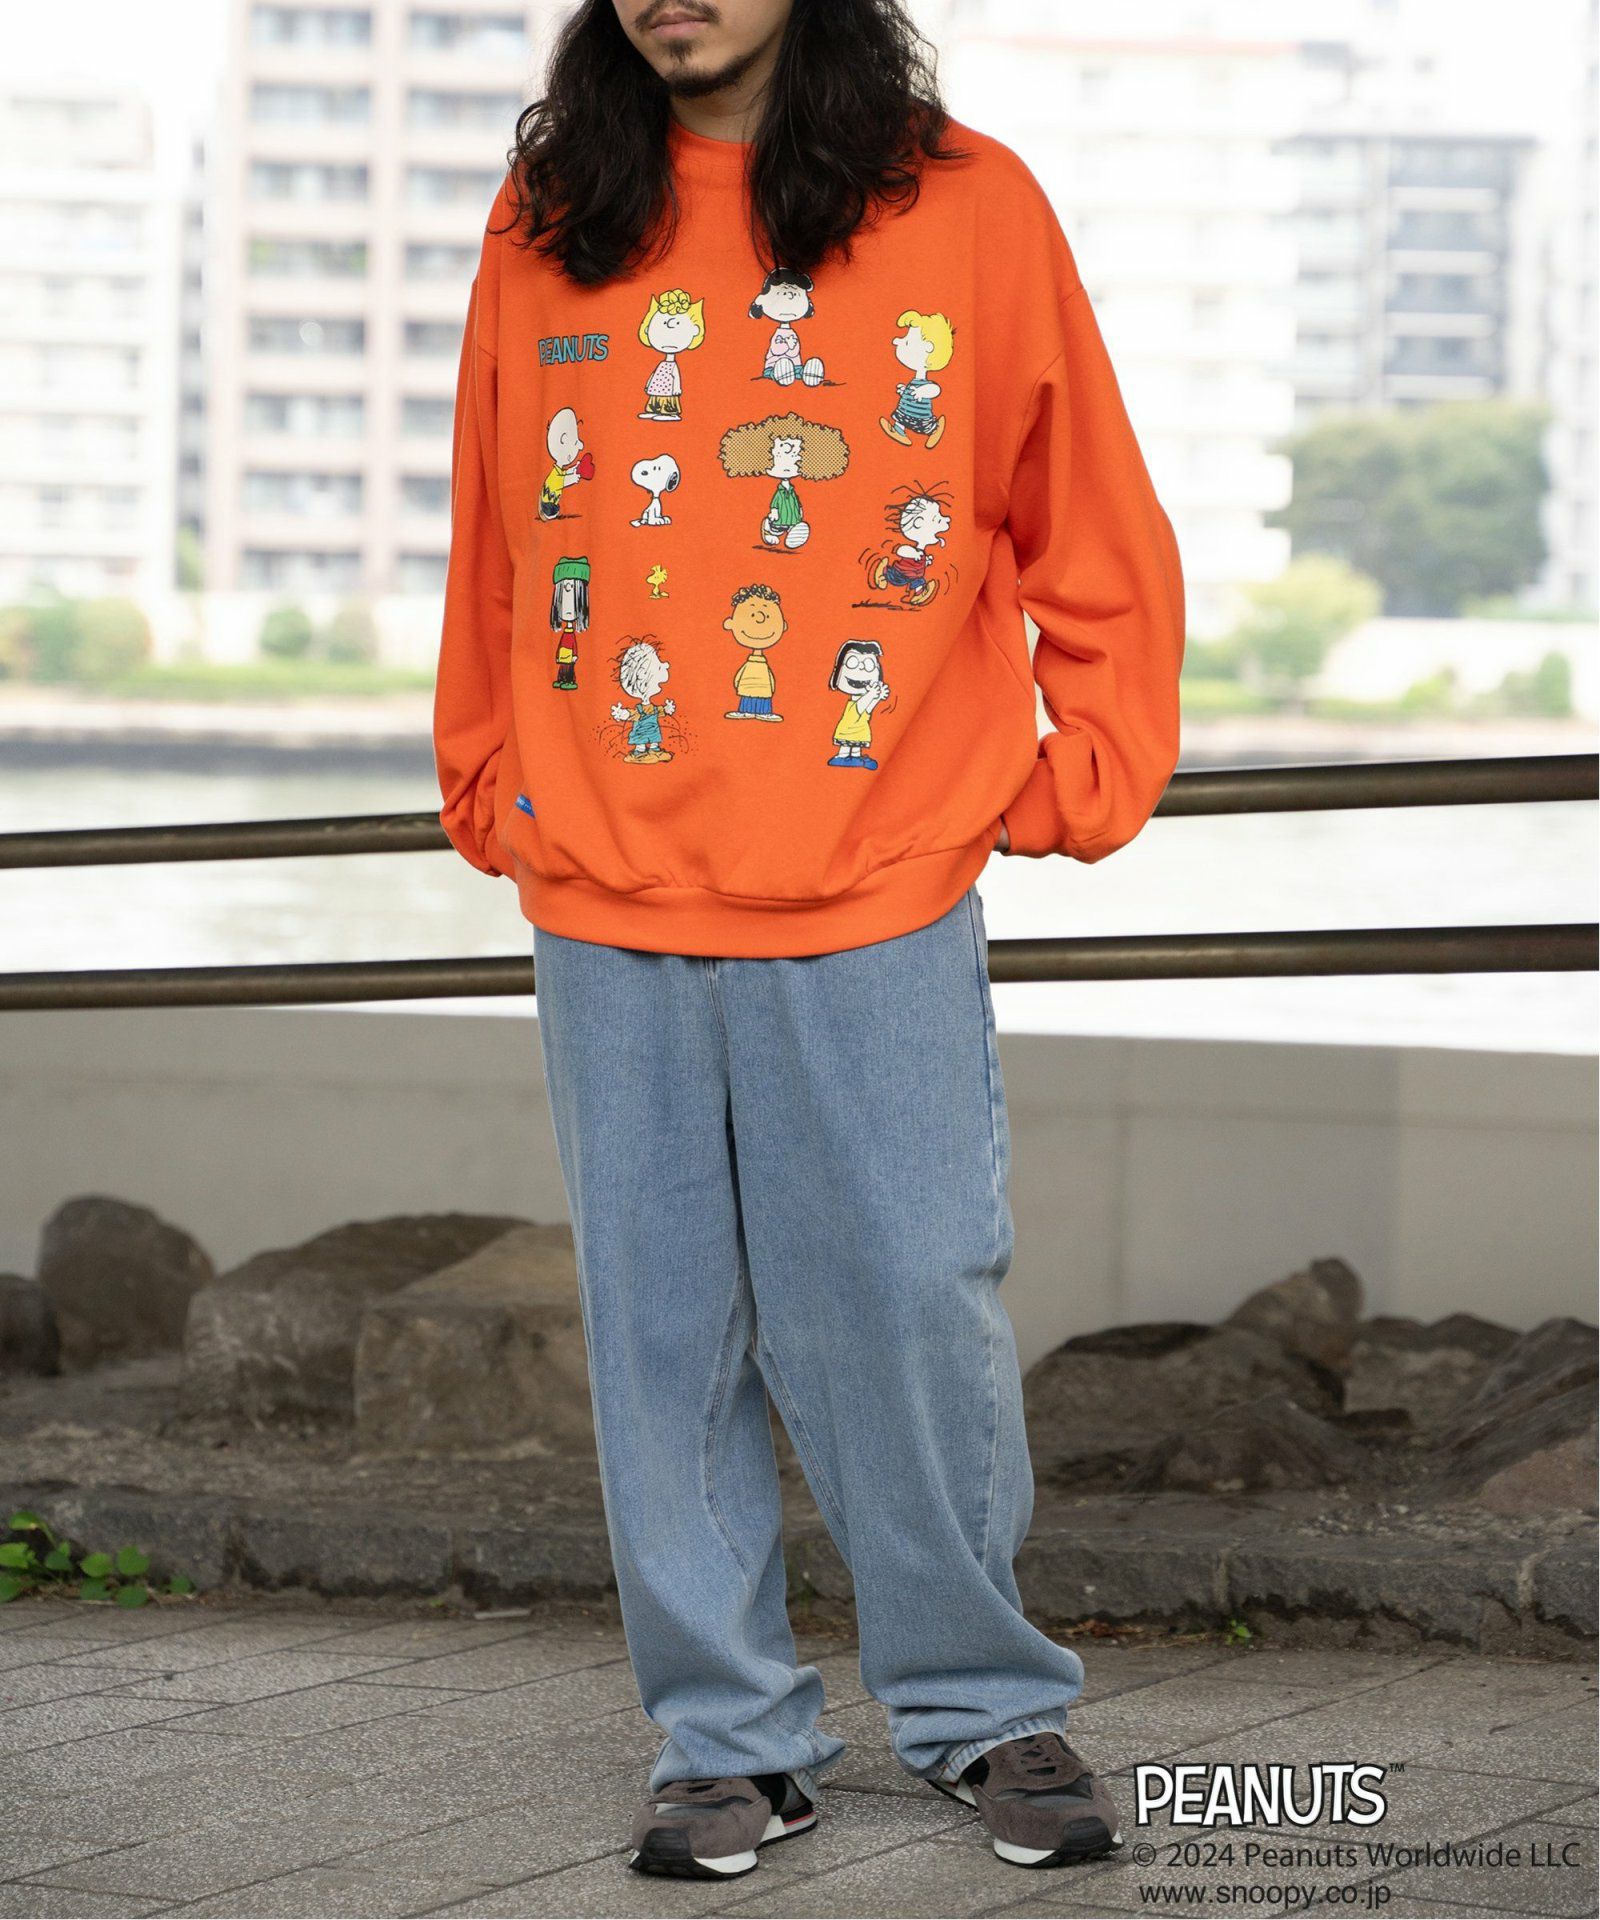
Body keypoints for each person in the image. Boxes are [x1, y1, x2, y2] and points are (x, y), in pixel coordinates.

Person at [433, 0, 1185, 1884]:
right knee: (661, 1334)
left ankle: (980, 1704)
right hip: (606, 881)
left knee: (913, 1302)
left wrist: (1095, 761)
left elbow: (1081, 500)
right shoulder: (553, 218)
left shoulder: (970, 205)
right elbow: (500, 524)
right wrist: (487, 772)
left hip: (878, 874)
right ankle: (726, 1738)